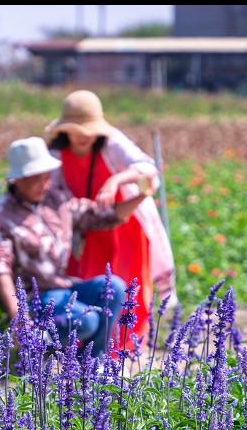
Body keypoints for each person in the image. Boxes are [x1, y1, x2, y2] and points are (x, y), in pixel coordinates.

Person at [0, 136, 155, 360]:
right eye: (36, 178)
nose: (44, 184)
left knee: (114, 287)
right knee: (88, 320)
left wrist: (142, 195)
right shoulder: (0, 216)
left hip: (65, 289)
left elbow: (101, 216)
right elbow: (1, 269)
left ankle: (92, 362)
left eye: (47, 177)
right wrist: (19, 315)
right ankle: (33, 344)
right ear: (18, 179)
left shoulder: (56, 201)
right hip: (35, 300)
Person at [45, 90, 177, 352]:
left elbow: (150, 171)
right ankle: (90, 348)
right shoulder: (58, 155)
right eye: (75, 130)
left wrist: (116, 180)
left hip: (125, 226)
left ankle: (127, 349)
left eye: (88, 129)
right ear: (65, 131)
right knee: (90, 280)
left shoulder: (112, 144)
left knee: (130, 286)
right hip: (87, 229)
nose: (83, 136)